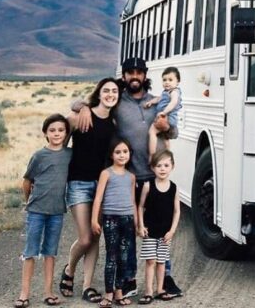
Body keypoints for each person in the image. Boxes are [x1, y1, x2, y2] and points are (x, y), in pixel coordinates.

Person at [76, 57, 183, 298]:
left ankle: (164, 279)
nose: (134, 76)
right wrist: (82, 106)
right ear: (123, 76)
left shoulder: (158, 100)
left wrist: (167, 127)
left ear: (145, 75)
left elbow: (174, 130)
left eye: (139, 72)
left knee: (159, 229)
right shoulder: (117, 102)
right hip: (130, 178)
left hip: (155, 177)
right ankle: (128, 279)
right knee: (132, 232)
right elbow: (90, 103)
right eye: (129, 73)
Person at [60, 78, 120, 303]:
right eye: (106, 90)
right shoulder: (78, 117)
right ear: (99, 93)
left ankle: (87, 286)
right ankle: (69, 270)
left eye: (114, 91)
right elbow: (59, 148)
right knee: (85, 238)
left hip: (102, 186)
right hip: (78, 183)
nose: (110, 94)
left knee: (96, 235)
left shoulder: (114, 123)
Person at [15, 114, 72, 308]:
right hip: (37, 211)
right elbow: (27, 182)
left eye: (61, 130)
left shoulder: (69, 155)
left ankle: (48, 292)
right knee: (30, 251)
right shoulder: (39, 156)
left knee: (50, 253)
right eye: (52, 130)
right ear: (45, 133)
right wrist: (29, 202)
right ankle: (24, 294)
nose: (57, 134)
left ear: (66, 133)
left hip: (57, 211)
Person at [91, 137, 138, 307]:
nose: (122, 155)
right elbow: (98, 199)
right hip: (110, 219)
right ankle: (108, 293)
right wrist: (95, 220)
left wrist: (137, 223)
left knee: (124, 257)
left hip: (127, 219)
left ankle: (119, 291)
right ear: (111, 155)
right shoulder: (106, 173)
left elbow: (133, 201)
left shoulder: (131, 177)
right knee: (111, 256)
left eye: (125, 152)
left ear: (129, 154)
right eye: (118, 152)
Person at [136, 150, 181, 303]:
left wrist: (172, 231)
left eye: (166, 165)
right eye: (159, 165)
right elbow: (141, 206)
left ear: (172, 167)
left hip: (165, 233)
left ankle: (160, 289)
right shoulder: (148, 186)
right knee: (150, 261)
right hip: (150, 231)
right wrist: (141, 226)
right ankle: (148, 291)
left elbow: (177, 211)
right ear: (153, 168)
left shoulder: (174, 188)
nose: (162, 168)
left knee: (161, 262)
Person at [146, 67, 182, 156]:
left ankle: (152, 155)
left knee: (152, 132)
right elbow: (159, 99)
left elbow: (174, 102)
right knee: (165, 137)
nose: (167, 82)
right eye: (164, 80)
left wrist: (164, 112)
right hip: (167, 118)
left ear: (178, 82)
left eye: (170, 80)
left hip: (168, 117)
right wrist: (151, 102)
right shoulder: (166, 92)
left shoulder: (174, 92)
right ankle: (168, 154)